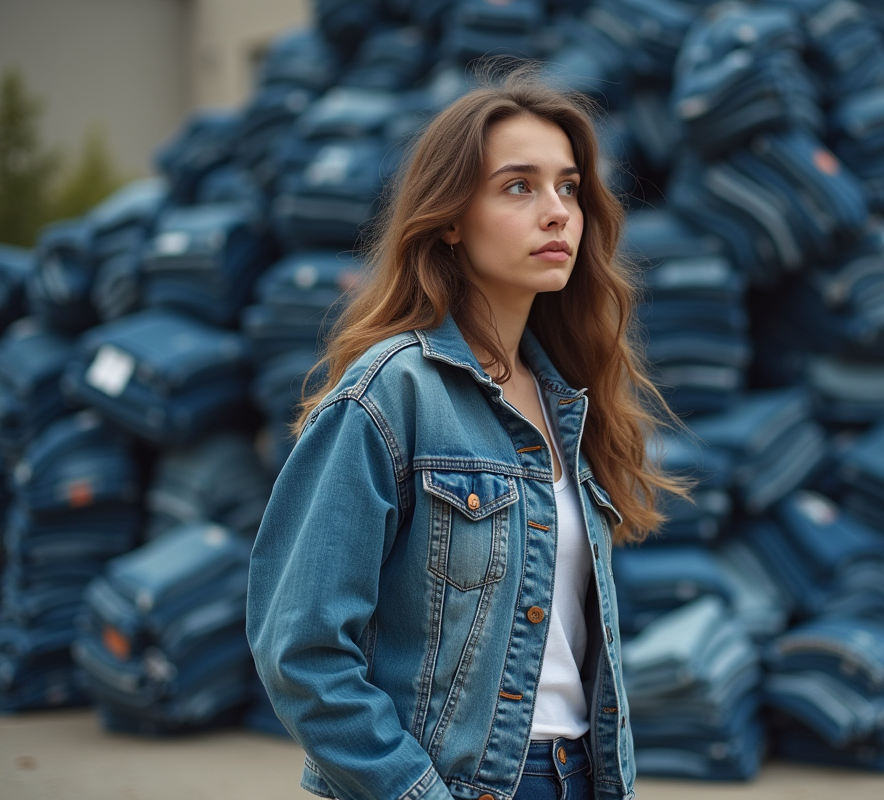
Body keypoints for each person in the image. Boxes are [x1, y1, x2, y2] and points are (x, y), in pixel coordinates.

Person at [246, 67, 687, 800]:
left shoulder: (566, 400)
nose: (557, 213)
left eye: (569, 187)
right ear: (450, 217)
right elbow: (302, 651)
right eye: (519, 186)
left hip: (581, 773)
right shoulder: (389, 394)